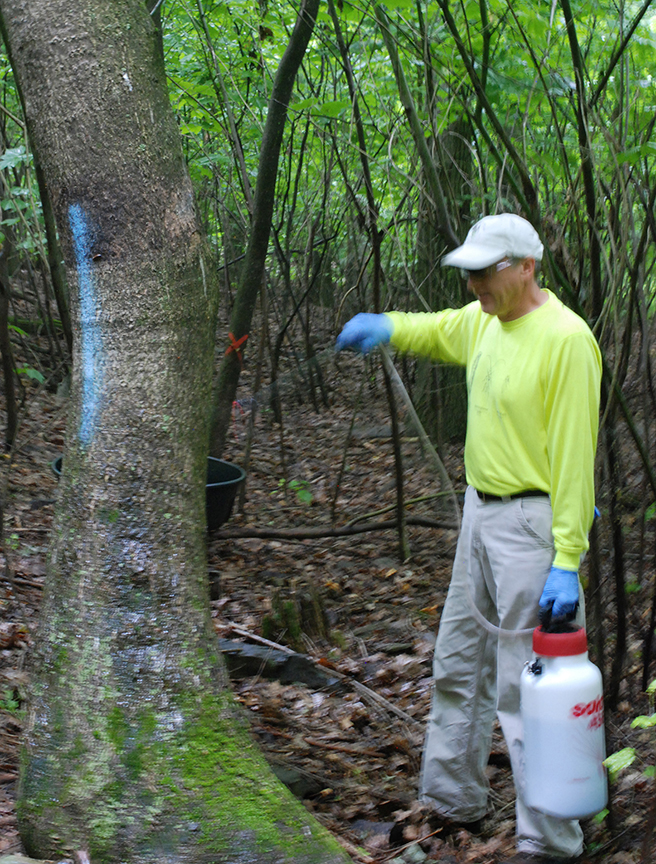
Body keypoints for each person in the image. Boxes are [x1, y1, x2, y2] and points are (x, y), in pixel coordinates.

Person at [335, 214, 602, 864]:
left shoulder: (566, 340)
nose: (475, 281)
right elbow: (437, 328)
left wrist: (566, 560)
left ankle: (549, 841)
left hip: (533, 530)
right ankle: (452, 799)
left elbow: (574, 460)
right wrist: (389, 326)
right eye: (470, 271)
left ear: (526, 268)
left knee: (528, 684)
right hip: (480, 517)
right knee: (459, 661)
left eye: (486, 270)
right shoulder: (484, 320)